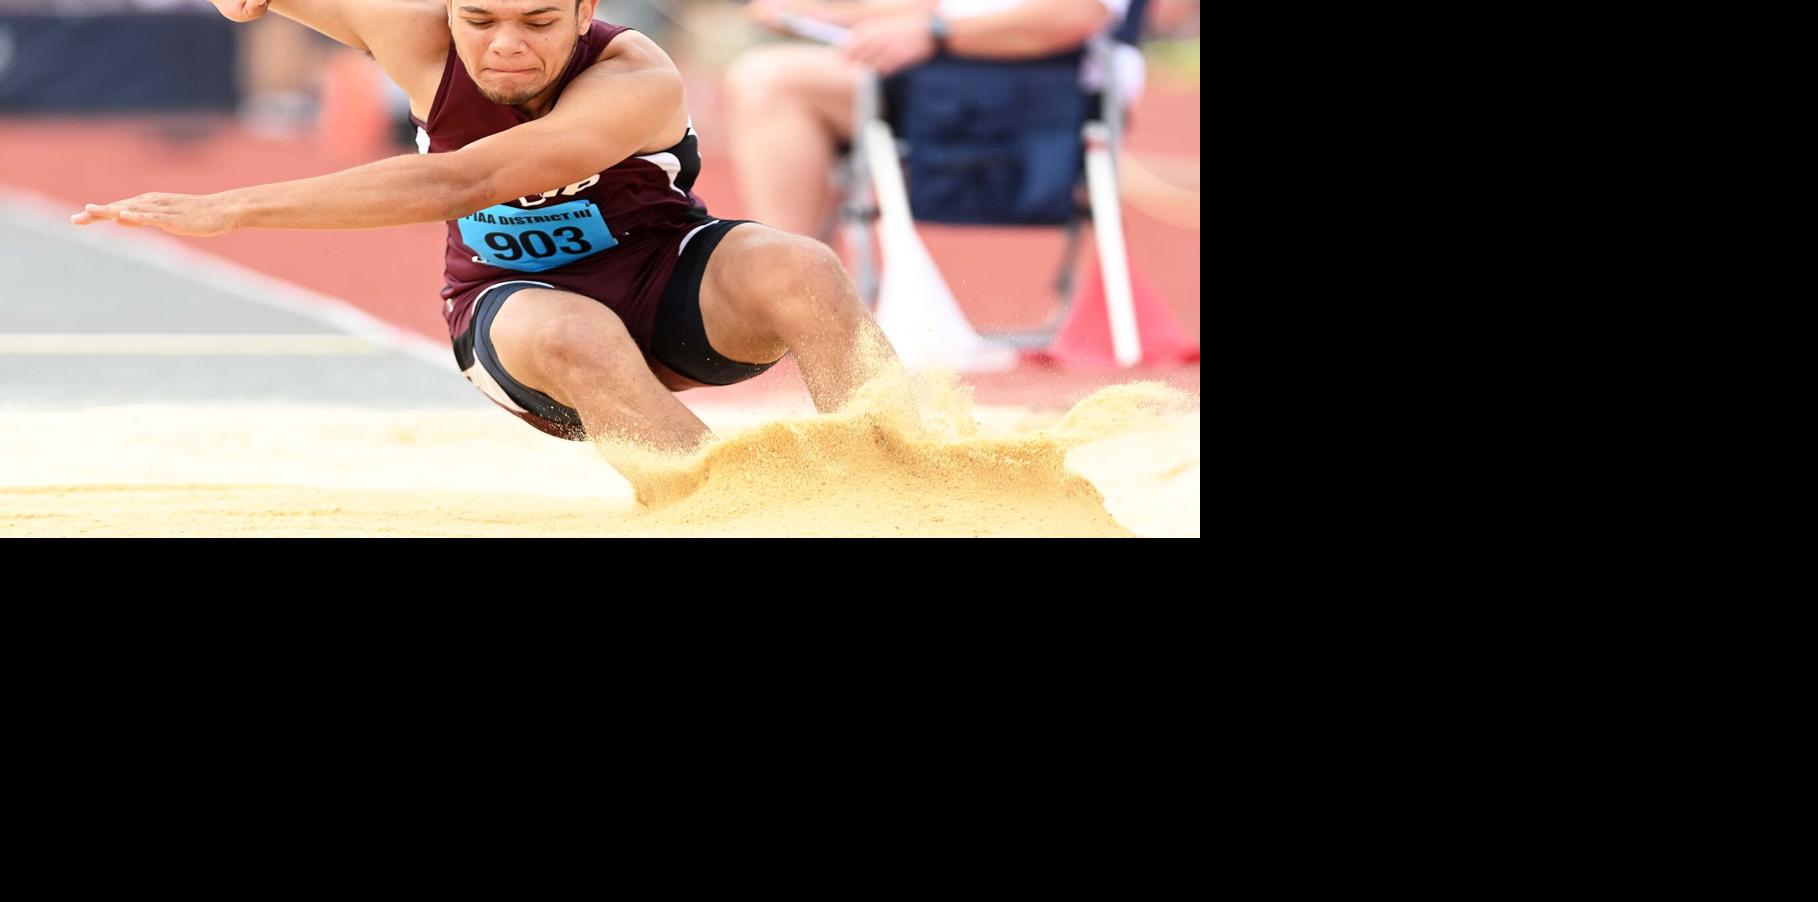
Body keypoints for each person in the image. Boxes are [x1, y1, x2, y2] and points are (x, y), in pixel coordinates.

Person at [72, 0, 904, 459]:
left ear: (583, 11)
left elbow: (464, 179)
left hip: (668, 291)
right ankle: (720, 505)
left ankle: (905, 465)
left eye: (537, 23)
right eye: (480, 21)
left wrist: (234, 208)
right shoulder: (411, 33)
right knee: (577, 331)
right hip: (521, 315)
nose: (506, 46)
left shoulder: (634, 76)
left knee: (801, 265)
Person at [726, 0, 1135, 238]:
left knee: (768, 81)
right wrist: (825, 13)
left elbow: (1078, 12)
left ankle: (785, 287)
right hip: (942, 79)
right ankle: (796, 282)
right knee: (769, 79)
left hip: (1023, 97)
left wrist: (936, 32)